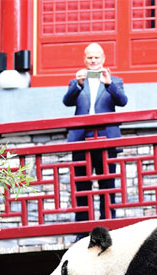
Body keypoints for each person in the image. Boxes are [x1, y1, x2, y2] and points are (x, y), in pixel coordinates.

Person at [63, 42, 128, 222]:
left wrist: (109, 84)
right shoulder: (76, 80)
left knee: (107, 183)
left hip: (106, 137)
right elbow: (67, 102)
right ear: (85, 59)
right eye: (89, 57)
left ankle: (108, 222)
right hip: (82, 138)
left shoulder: (114, 80)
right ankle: (82, 225)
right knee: (81, 184)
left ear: (103, 59)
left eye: (96, 57)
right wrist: (77, 84)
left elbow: (123, 101)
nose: (93, 60)